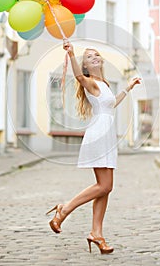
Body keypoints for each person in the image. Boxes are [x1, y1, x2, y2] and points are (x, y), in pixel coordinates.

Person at [46, 40, 141, 254]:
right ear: (86, 65)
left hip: (107, 135)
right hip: (98, 135)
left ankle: (96, 234)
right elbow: (78, 77)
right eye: (89, 57)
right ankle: (65, 209)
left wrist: (128, 87)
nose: (94, 57)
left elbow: (112, 104)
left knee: (105, 188)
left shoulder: (104, 83)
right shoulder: (88, 80)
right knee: (104, 186)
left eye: (96, 54)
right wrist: (71, 55)